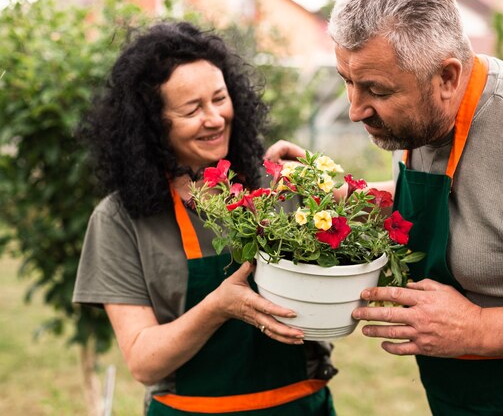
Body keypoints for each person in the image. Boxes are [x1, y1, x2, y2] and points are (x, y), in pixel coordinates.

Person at [267, 0, 503, 413]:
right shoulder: (429, 122)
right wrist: (343, 198)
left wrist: (478, 328)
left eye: (376, 90)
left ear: (447, 77)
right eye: (347, 80)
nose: (354, 110)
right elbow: (473, 203)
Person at [72, 21, 336, 416]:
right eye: (192, 109)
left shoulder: (279, 184)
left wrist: (335, 188)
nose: (214, 118)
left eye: (219, 98)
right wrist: (218, 307)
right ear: (153, 124)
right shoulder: (119, 219)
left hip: (299, 406)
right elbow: (144, 362)